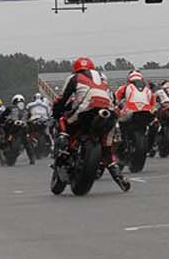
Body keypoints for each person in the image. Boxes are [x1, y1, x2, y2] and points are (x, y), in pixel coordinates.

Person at [51, 57, 131, 190]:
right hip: (109, 111)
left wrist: (56, 111)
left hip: (86, 109)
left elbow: (62, 98)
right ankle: (119, 177)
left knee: (62, 120)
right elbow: (113, 97)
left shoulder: (74, 77)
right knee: (107, 148)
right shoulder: (102, 78)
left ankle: (63, 146)